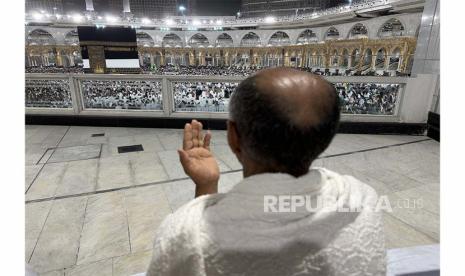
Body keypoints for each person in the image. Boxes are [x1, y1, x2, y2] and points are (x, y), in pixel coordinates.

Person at [147, 68, 385, 275]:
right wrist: (207, 184)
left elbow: (196, 244)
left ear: (233, 136)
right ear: (327, 137)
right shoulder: (362, 200)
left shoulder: (181, 233)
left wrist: (206, 189)